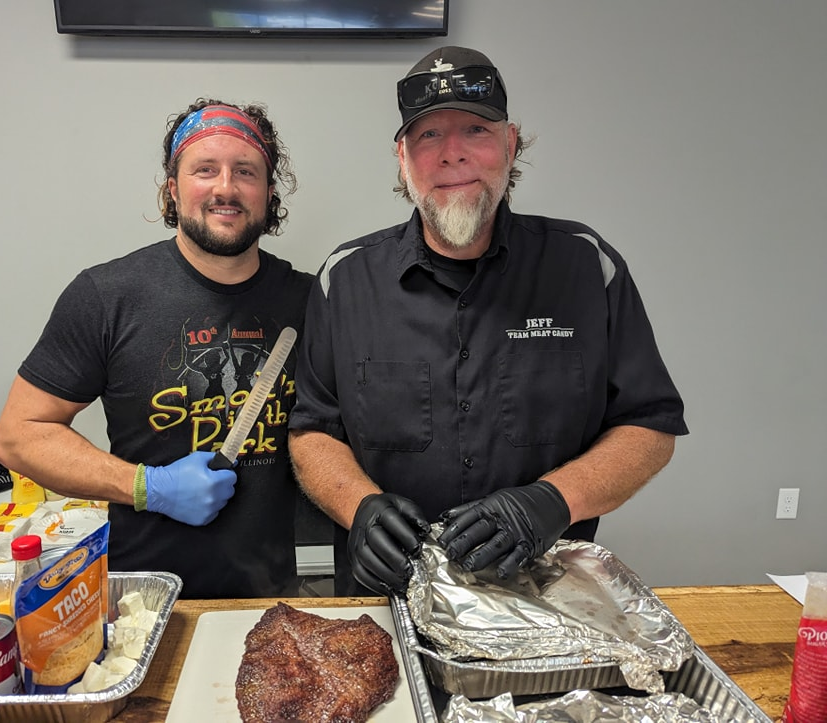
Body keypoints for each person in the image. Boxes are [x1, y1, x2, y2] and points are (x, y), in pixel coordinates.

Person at [288, 46, 689, 597]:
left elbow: (651, 427)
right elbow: (313, 432)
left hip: (549, 599)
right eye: (429, 135)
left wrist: (553, 500)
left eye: (475, 129)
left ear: (510, 144)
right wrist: (360, 508)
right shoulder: (345, 280)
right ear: (402, 157)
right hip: (388, 604)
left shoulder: (586, 267)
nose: (452, 154)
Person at [0, 99, 313, 598]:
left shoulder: (309, 301)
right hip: (142, 601)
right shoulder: (106, 296)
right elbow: (19, 435)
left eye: (245, 171)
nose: (225, 188)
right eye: (204, 170)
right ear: (173, 188)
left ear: (269, 193)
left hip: (270, 599)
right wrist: (148, 487)